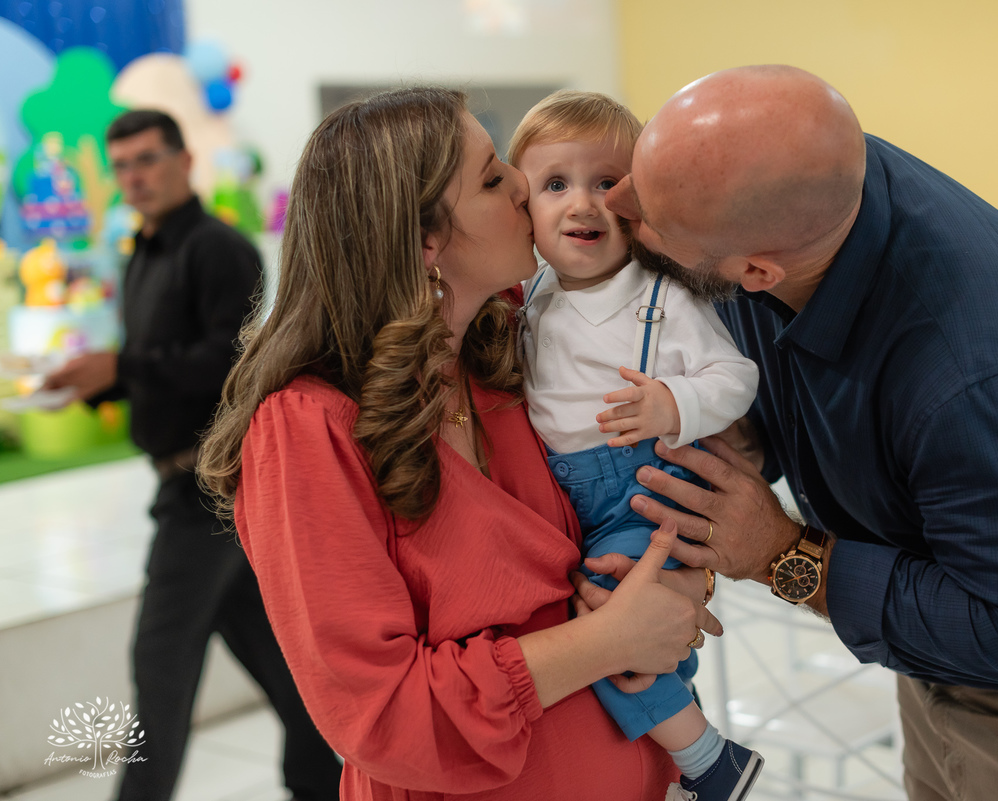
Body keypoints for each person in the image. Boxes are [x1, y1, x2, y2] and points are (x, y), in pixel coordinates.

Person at [597, 64, 998, 800]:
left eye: (653, 216)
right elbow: (792, 384)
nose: (618, 203)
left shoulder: (975, 372)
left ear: (755, 268)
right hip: (937, 641)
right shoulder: (806, 194)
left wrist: (779, 551)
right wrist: (739, 443)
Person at [197, 87, 718, 801]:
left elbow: (637, 502)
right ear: (425, 241)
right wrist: (608, 641)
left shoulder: (506, 351)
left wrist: (677, 581)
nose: (522, 187)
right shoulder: (305, 427)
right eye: (492, 176)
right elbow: (380, 714)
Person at [40, 110, 343, 800]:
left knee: (160, 666)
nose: (134, 177)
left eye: (146, 160)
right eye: (121, 166)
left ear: (184, 161)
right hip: (191, 489)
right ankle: (324, 786)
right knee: (284, 667)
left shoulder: (219, 249)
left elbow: (228, 362)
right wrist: (101, 378)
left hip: (210, 492)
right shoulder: (144, 252)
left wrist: (124, 365)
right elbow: (158, 363)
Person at [508, 90, 763, 801]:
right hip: (567, 493)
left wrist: (672, 403)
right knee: (615, 626)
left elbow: (736, 376)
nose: (581, 204)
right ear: (521, 205)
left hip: (640, 488)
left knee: (613, 633)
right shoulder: (528, 297)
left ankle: (709, 761)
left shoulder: (661, 298)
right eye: (555, 185)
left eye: (604, 183)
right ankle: (691, 756)